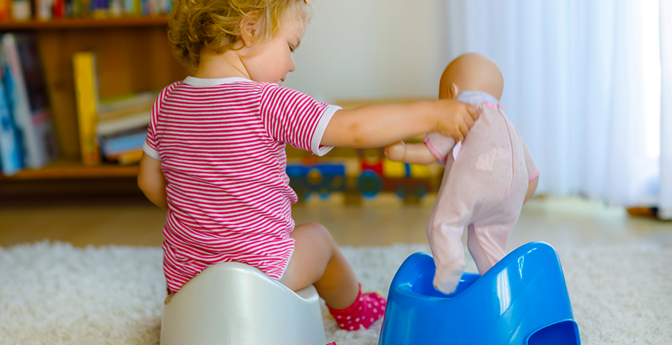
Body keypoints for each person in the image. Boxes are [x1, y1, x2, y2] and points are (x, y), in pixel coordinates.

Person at [137, 0, 478, 330]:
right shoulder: (268, 101)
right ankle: (354, 309)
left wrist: (205, 207)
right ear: (249, 28)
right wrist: (432, 114)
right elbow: (355, 128)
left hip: (184, 281)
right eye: (291, 46)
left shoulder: (166, 102)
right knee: (318, 238)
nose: (292, 64)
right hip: (263, 272)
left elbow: (149, 184)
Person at [385, 53, 539, 294]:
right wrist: (514, 200)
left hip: (477, 180)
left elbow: (429, 153)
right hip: (514, 191)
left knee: (443, 223)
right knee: (485, 241)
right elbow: (532, 175)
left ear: (451, 91)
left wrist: (403, 151)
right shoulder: (509, 126)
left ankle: (450, 265)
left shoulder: (460, 113)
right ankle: (500, 289)